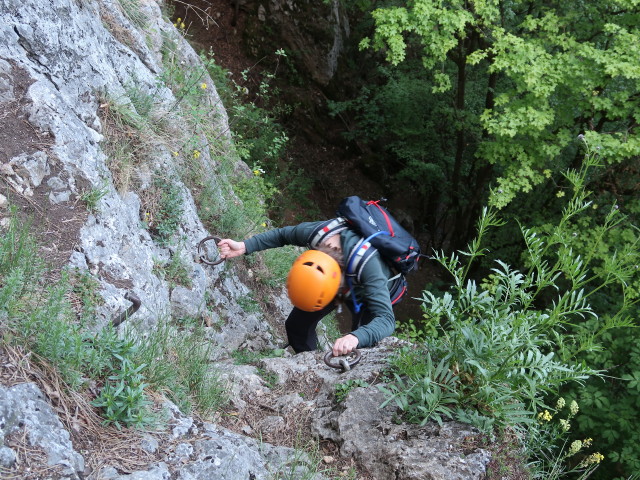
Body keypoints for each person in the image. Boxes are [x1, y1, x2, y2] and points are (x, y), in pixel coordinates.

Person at [217, 220, 397, 357]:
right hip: (336, 279)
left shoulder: (369, 267)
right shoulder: (317, 234)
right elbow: (282, 235)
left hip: (370, 293)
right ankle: (312, 361)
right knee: (297, 325)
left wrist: (355, 337)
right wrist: (244, 246)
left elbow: (386, 319)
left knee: (362, 343)